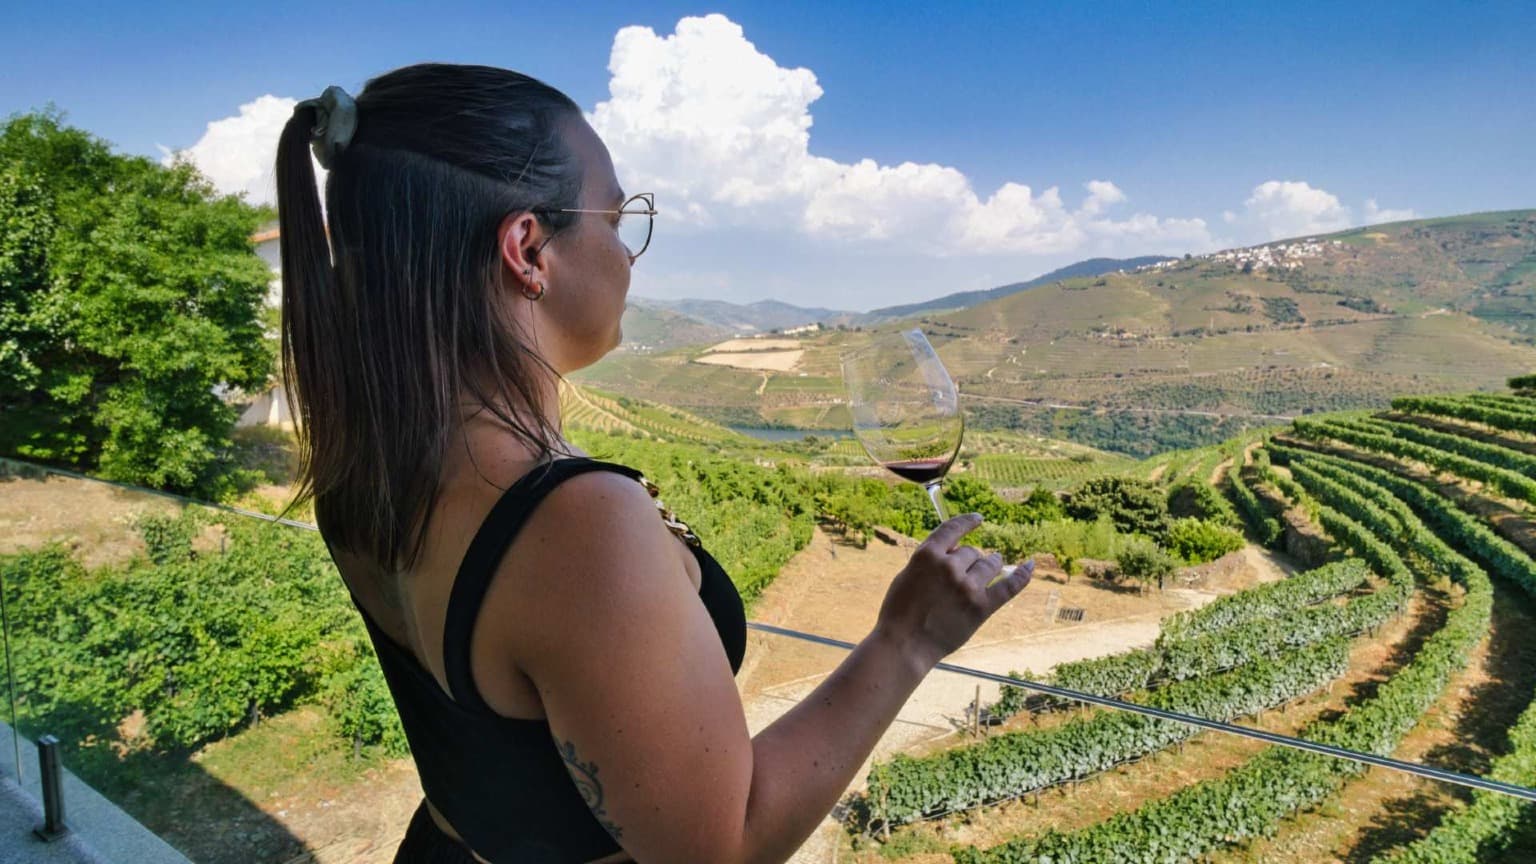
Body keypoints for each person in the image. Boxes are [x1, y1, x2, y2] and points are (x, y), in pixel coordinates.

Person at [275, 62, 1033, 864]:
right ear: (528, 247)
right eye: (615, 214)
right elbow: (721, 848)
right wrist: (907, 639)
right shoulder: (569, 522)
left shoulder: (366, 465)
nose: (630, 253)